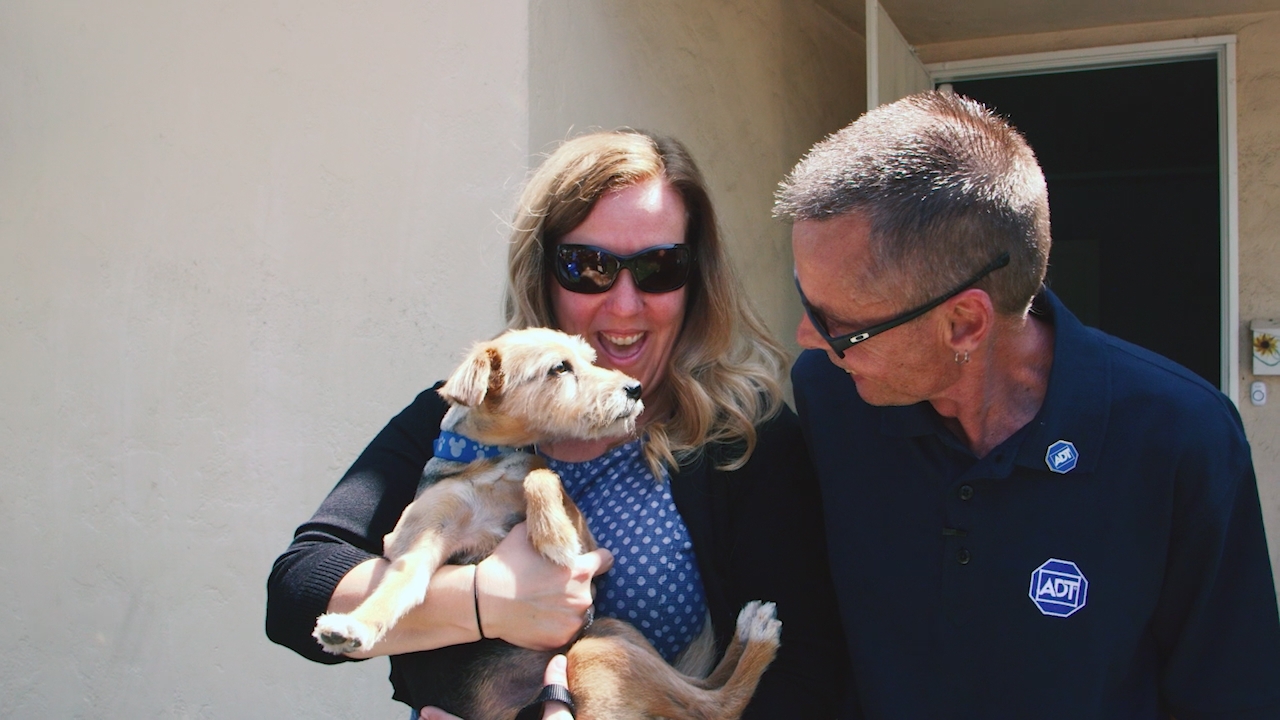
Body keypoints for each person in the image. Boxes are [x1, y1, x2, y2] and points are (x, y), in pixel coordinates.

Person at [266, 129, 848, 718]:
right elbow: (298, 591)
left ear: (695, 279)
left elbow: (810, 677)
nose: (624, 304)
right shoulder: (463, 421)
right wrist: (483, 601)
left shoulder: (741, 439)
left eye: (659, 267)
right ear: (542, 271)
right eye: (589, 266)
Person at [775, 90, 1280, 719]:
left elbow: (1234, 694)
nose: (806, 337)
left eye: (837, 323)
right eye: (804, 295)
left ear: (964, 325)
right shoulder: (831, 396)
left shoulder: (1181, 438)